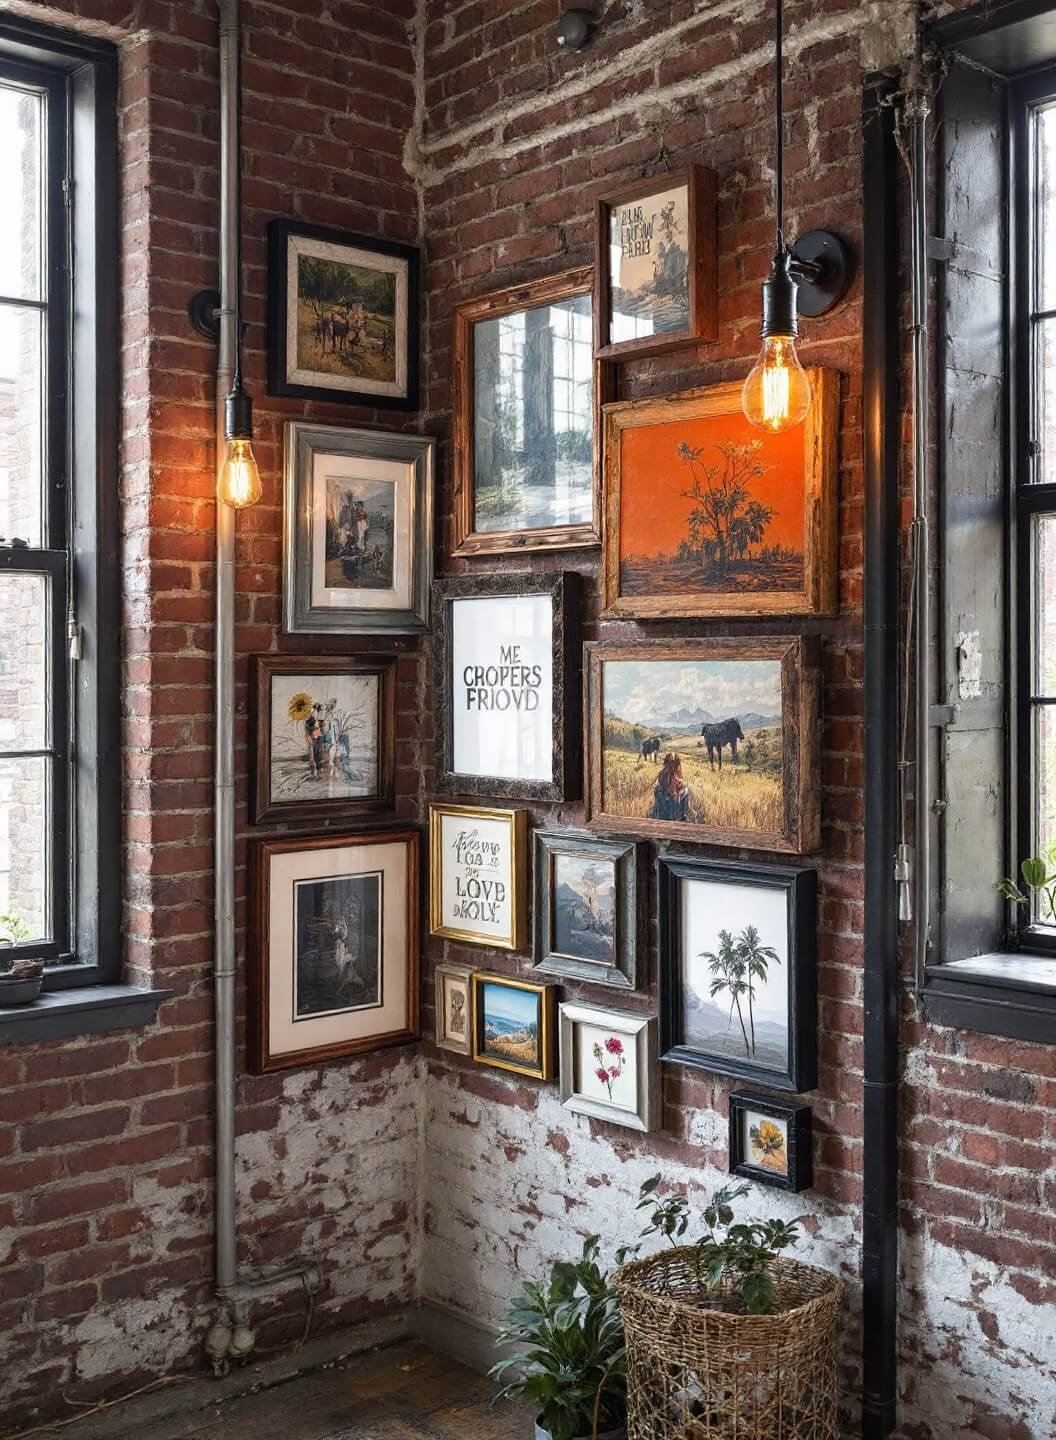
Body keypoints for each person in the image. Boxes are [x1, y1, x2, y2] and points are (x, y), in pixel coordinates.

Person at [650, 752, 691, 822]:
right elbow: (666, 786)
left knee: (685, 791)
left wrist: (679, 784)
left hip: (675, 795)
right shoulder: (664, 772)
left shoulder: (678, 771)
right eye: (671, 762)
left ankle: (683, 815)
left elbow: (680, 784)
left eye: (675, 763)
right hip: (665, 795)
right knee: (668, 796)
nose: (673, 765)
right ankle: (667, 815)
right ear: (667, 763)